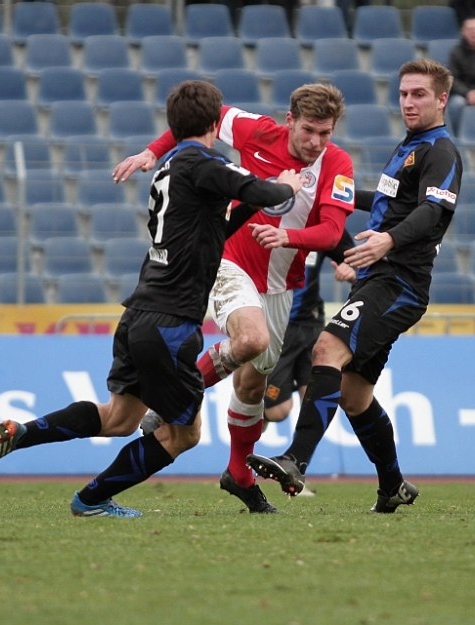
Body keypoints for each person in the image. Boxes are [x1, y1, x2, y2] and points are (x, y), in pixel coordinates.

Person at [0, 81, 304, 518]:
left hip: (139, 313)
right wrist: (287, 185)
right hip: (170, 323)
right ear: (214, 124)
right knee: (184, 435)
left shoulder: (169, 168)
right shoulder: (206, 163)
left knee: (119, 418)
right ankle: (91, 499)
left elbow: (215, 232)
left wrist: (250, 207)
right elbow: (265, 192)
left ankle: (22, 432)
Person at [113, 85, 355, 514]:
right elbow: (200, 117)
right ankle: (170, 401)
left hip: (280, 285)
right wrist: (153, 151)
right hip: (229, 261)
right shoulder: (256, 131)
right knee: (251, 340)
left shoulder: (337, 163)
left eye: (325, 133)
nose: (316, 142)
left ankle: (238, 473)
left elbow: (333, 232)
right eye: (308, 130)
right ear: (289, 121)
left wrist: (288, 237)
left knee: (253, 382)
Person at [248, 59, 463, 513]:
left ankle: (295, 460)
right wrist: (330, 194)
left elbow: (432, 212)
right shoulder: (410, 147)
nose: (408, 102)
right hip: (378, 279)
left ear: (442, 99)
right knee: (353, 394)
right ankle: (393, 486)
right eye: (403, 93)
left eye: (419, 94)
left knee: (326, 348)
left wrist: (388, 239)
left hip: (399, 283)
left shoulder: (440, 151)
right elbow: (386, 201)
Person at [263, 233, 356, 429]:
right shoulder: (268, 224)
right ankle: (247, 416)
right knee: (277, 411)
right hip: (276, 326)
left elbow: (356, 260)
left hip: (312, 323)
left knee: (314, 403)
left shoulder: (323, 226)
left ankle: (297, 451)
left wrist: (352, 271)